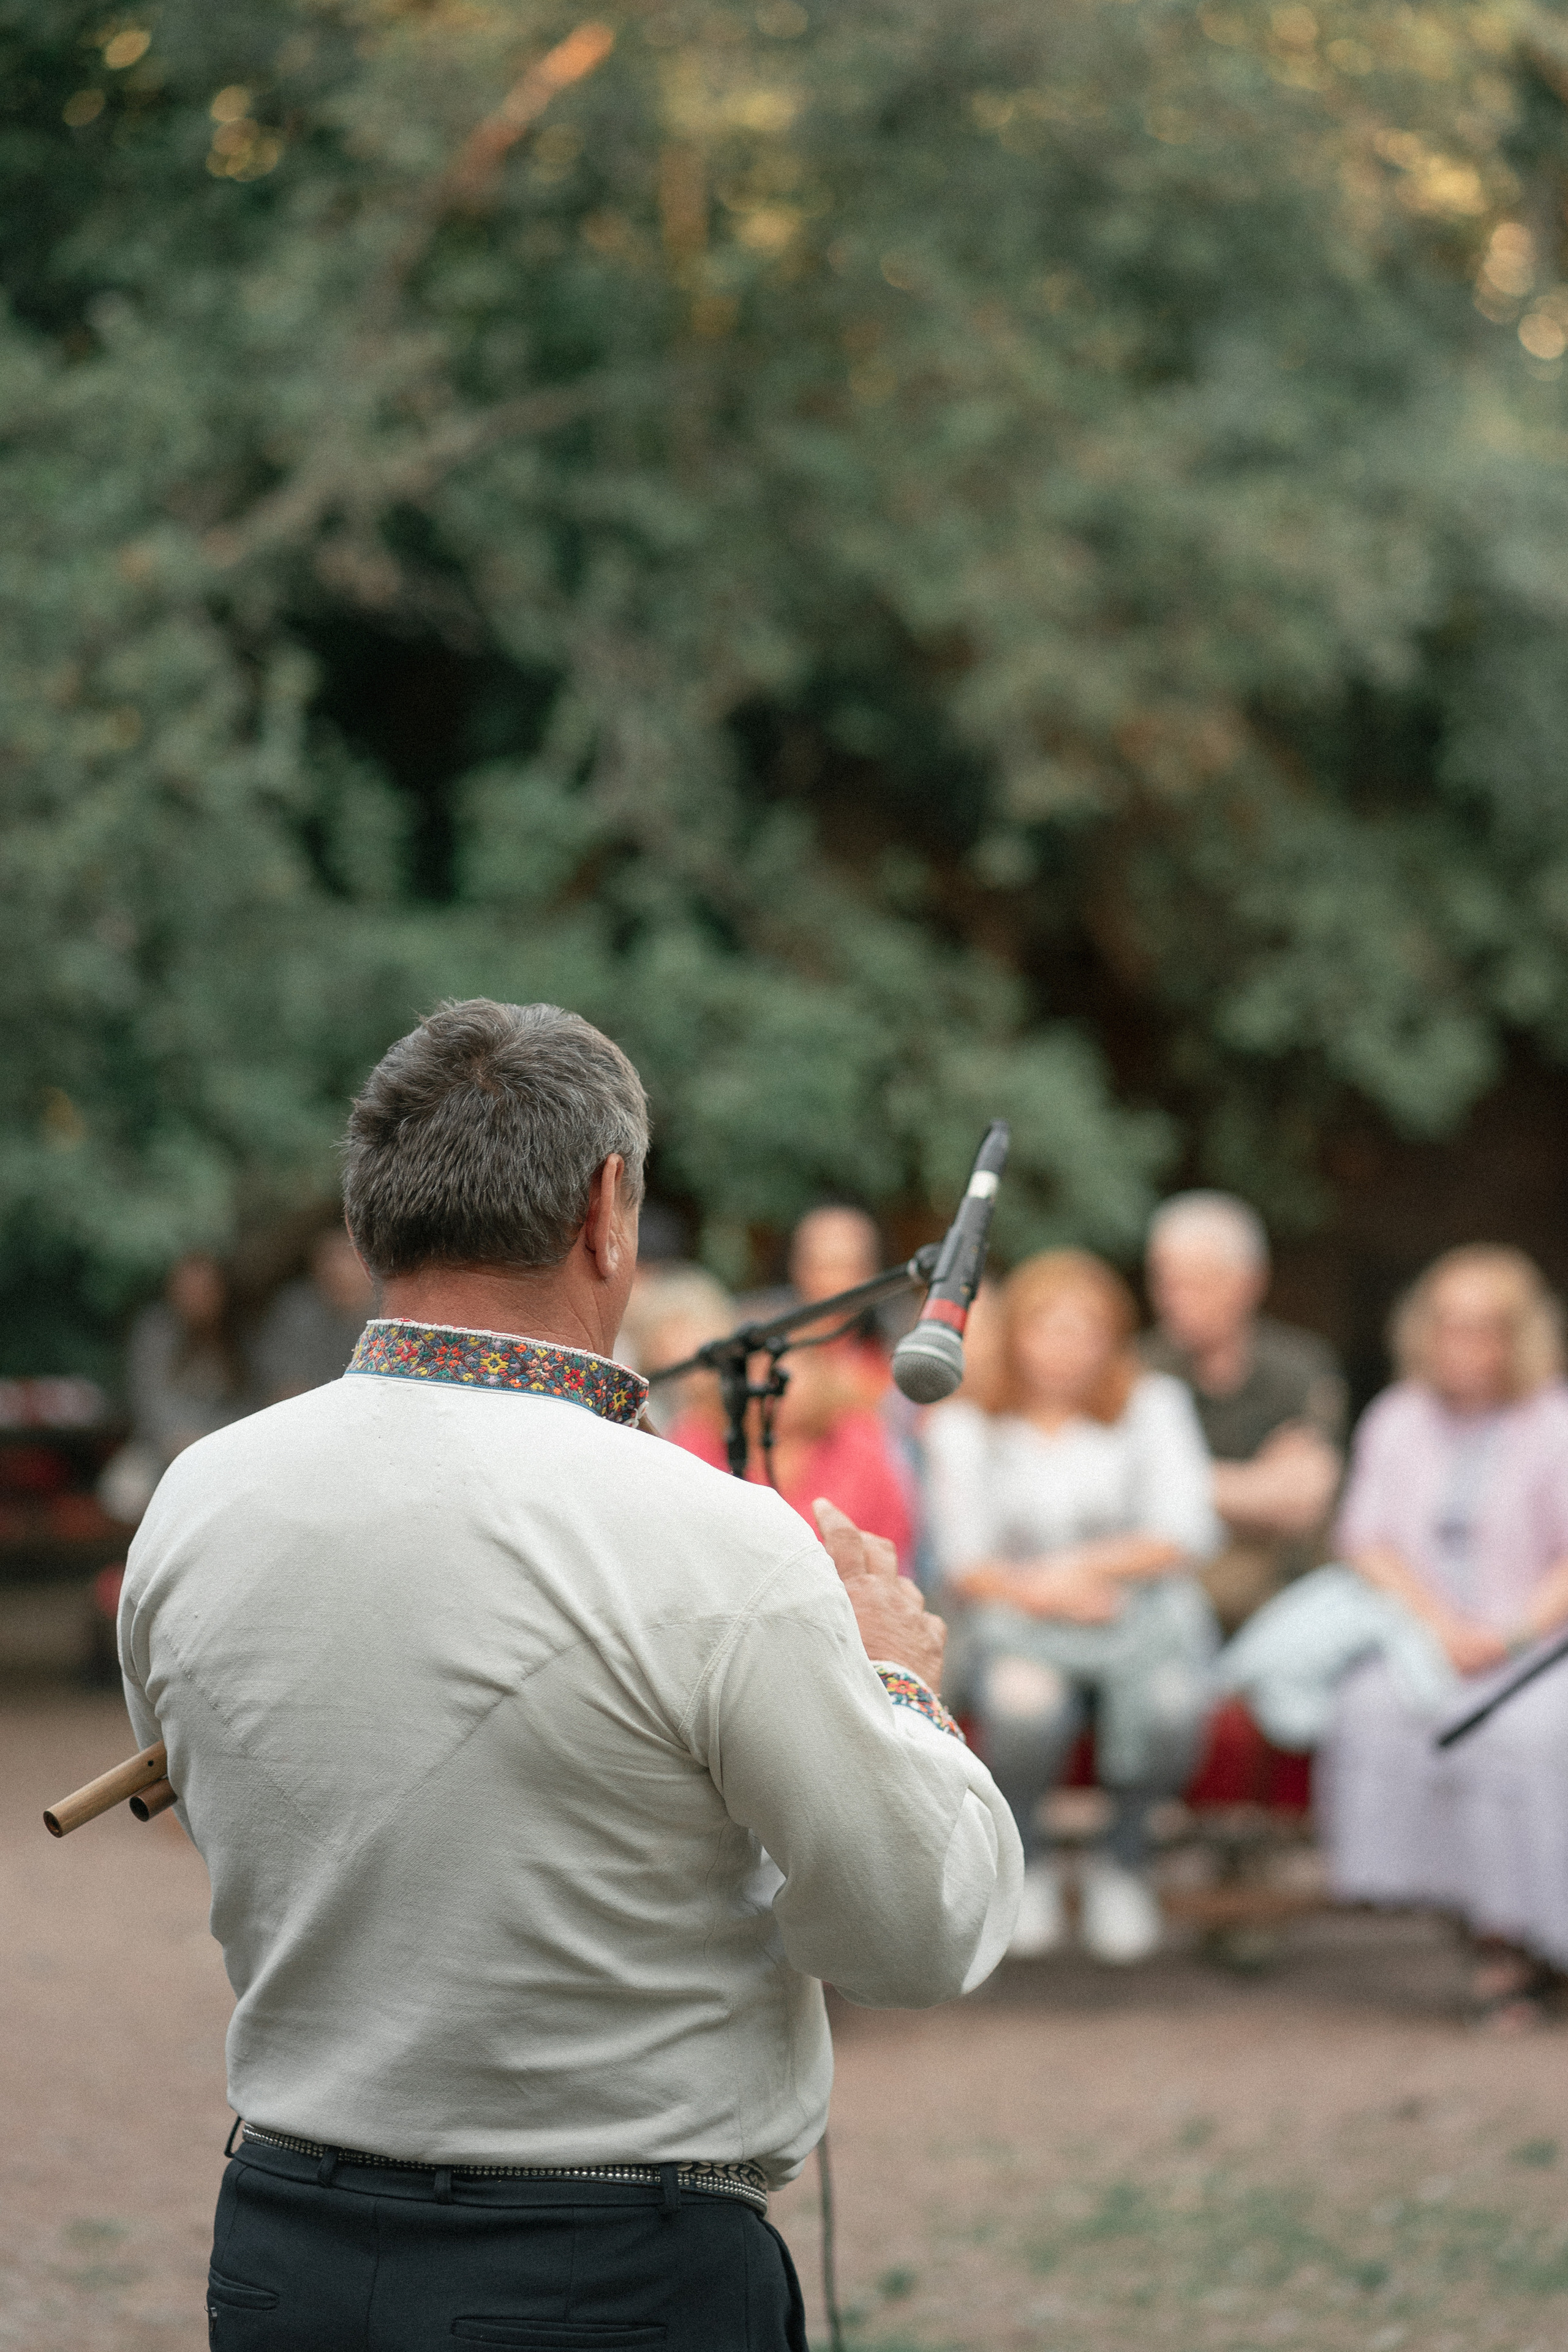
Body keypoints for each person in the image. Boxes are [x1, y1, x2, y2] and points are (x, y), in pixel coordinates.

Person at [118, 998, 1021, 2349]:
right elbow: (913, 1932)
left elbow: (234, 1805)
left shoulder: (197, 1499)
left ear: (371, 1218)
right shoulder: (710, 1536)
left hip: (282, 2255)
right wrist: (892, 1678)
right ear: (609, 1212)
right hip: (606, 2279)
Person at [925, 1249, 1221, 1966]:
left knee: (1173, 1704)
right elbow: (965, 1560)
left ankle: (1126, 1859)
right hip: (1016, 1620)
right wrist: (1047, 1593)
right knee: (1023, 1703)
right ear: (1016, 1336)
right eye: (1047, 1327)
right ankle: (1029, 1860)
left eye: (1085, 1329)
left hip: (1136, 1615)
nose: (1065, 1346)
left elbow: (1185, 1529)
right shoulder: (966, 1422)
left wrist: (1078, 1571)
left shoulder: (1153, 1405)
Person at [1317, 1245, 1568, 2029]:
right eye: (1449, 1326)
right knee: (1373, 1710)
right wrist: (1438, 1624)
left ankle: (1534, 1936)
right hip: (1427, 1636)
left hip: (1536, 1642)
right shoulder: (1398, 1418)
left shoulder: (1553, 1422)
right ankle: (1483, 1922)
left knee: (1520, 1737)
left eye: (1483, 1329)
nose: (1463, 1345)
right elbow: (1365, 1540)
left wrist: (1511, 1631)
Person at [1143, 1191, 1347, 1630]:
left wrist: (1171, 1482)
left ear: (1247, 1282)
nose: (1171, 1299)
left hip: (1282, 1600)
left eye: (1194, 1283)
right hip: (1166, 1592)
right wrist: (1256, 1487)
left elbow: (1303, 1500)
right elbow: (1118, 1489)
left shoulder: (1299, 1369)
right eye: (1164, 1281)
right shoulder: (1140, 1369)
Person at [251, 1226, 377, 1401]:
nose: (338, 1270)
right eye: (327, 1259)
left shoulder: (392, 1310)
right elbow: (287, 1395)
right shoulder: (298, 1315)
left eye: (345, 1256)